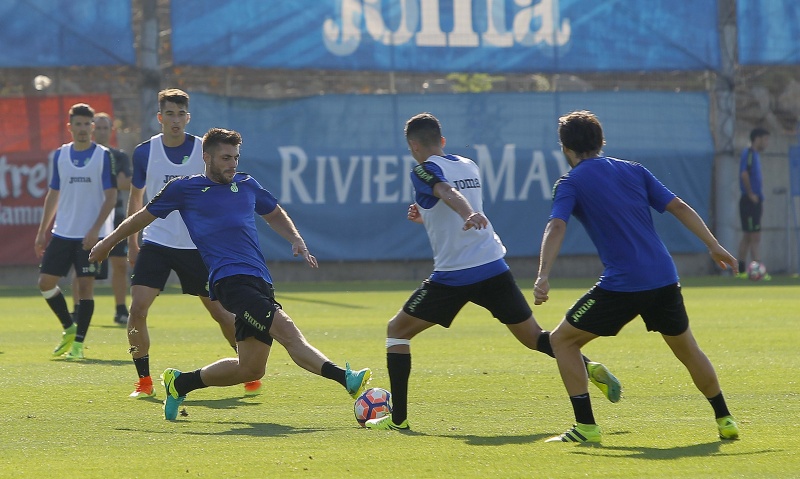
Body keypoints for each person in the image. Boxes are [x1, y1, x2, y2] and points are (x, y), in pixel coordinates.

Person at [90, 127, 371, 421]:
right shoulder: (184, 189)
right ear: (207, 157)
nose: (233, 164)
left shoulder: (247, 184)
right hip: (230, 282)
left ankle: (180, 383)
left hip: (260, 280)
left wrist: (295, 238)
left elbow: (274, 212)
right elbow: (142, 217)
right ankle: (346, 379)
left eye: (236, 157)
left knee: (250, 368)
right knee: (287, 331)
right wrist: (107, 243)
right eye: (226, 158)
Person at [365, 113, 621, 431]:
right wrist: (429, 215)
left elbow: (446, 191)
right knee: (534, 337)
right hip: (492, 265)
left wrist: (467, 213)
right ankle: (589, 366)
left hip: (454, 275)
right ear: (442, 141)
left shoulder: (422, 170)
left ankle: (399, 420)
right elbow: (447, 199)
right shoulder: (468, 165)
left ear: (414, 146)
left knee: (397, 331)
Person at [533, 110, 738, 443]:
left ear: (565, 149)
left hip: (623, 284)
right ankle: (725, 419)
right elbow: (679, 206)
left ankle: (586, 427)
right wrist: (713, 245)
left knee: (561, 341)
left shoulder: (570, 183)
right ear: (601, 142)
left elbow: (556, 226)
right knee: (688, 350)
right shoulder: (634, 169)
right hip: (664, 277)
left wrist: (543, 275)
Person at [121, 89, 259, 399]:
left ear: (188, 117)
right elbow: (136, 198)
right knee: (138, 309)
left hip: (197, 246)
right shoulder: (145, 152)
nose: (175, 120)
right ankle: (144, 381)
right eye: (169, 114)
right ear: (160, 117)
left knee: (221, 313)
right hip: (156, 242)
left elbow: (222, 190)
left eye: (180, 114)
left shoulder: (203, 151)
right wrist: (132, 241)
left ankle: (246, 368)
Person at [34, 103, 117, 360]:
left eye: (86, 124)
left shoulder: (103, 156)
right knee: (45, 283)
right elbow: (53, 193)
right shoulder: (60, 155)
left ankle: (79, 344)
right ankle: (69, 328)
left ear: (92, 127)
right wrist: (42, 230)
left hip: (90, 236)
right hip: (63, 232)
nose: (82, 129)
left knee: (84, 288)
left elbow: (111, 196)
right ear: (69, 127)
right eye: (78, 124)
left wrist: (95, 230)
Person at [70, 112, 132, 325]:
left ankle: (121, 309)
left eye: (106, 128)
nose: (102, 132)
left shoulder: (119, 156)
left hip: (116, 216)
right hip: (89, 217)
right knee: (82, 265)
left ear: (111, 130)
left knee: (120, 264)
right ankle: (77, 308)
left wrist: (102, 181)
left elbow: (126, 183)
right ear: (92, 129)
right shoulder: (83, 155)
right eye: (99, 127)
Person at [736, 127, 770, 279]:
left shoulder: (755, 155)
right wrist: (750, 194)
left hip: (754, 201)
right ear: (757, 138)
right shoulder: (749, 153)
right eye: (765, 139)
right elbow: (744, 174)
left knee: (748, 236)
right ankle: (759, 271)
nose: (767, 143)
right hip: (749, 201)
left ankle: (741, 271)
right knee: (754, 236)